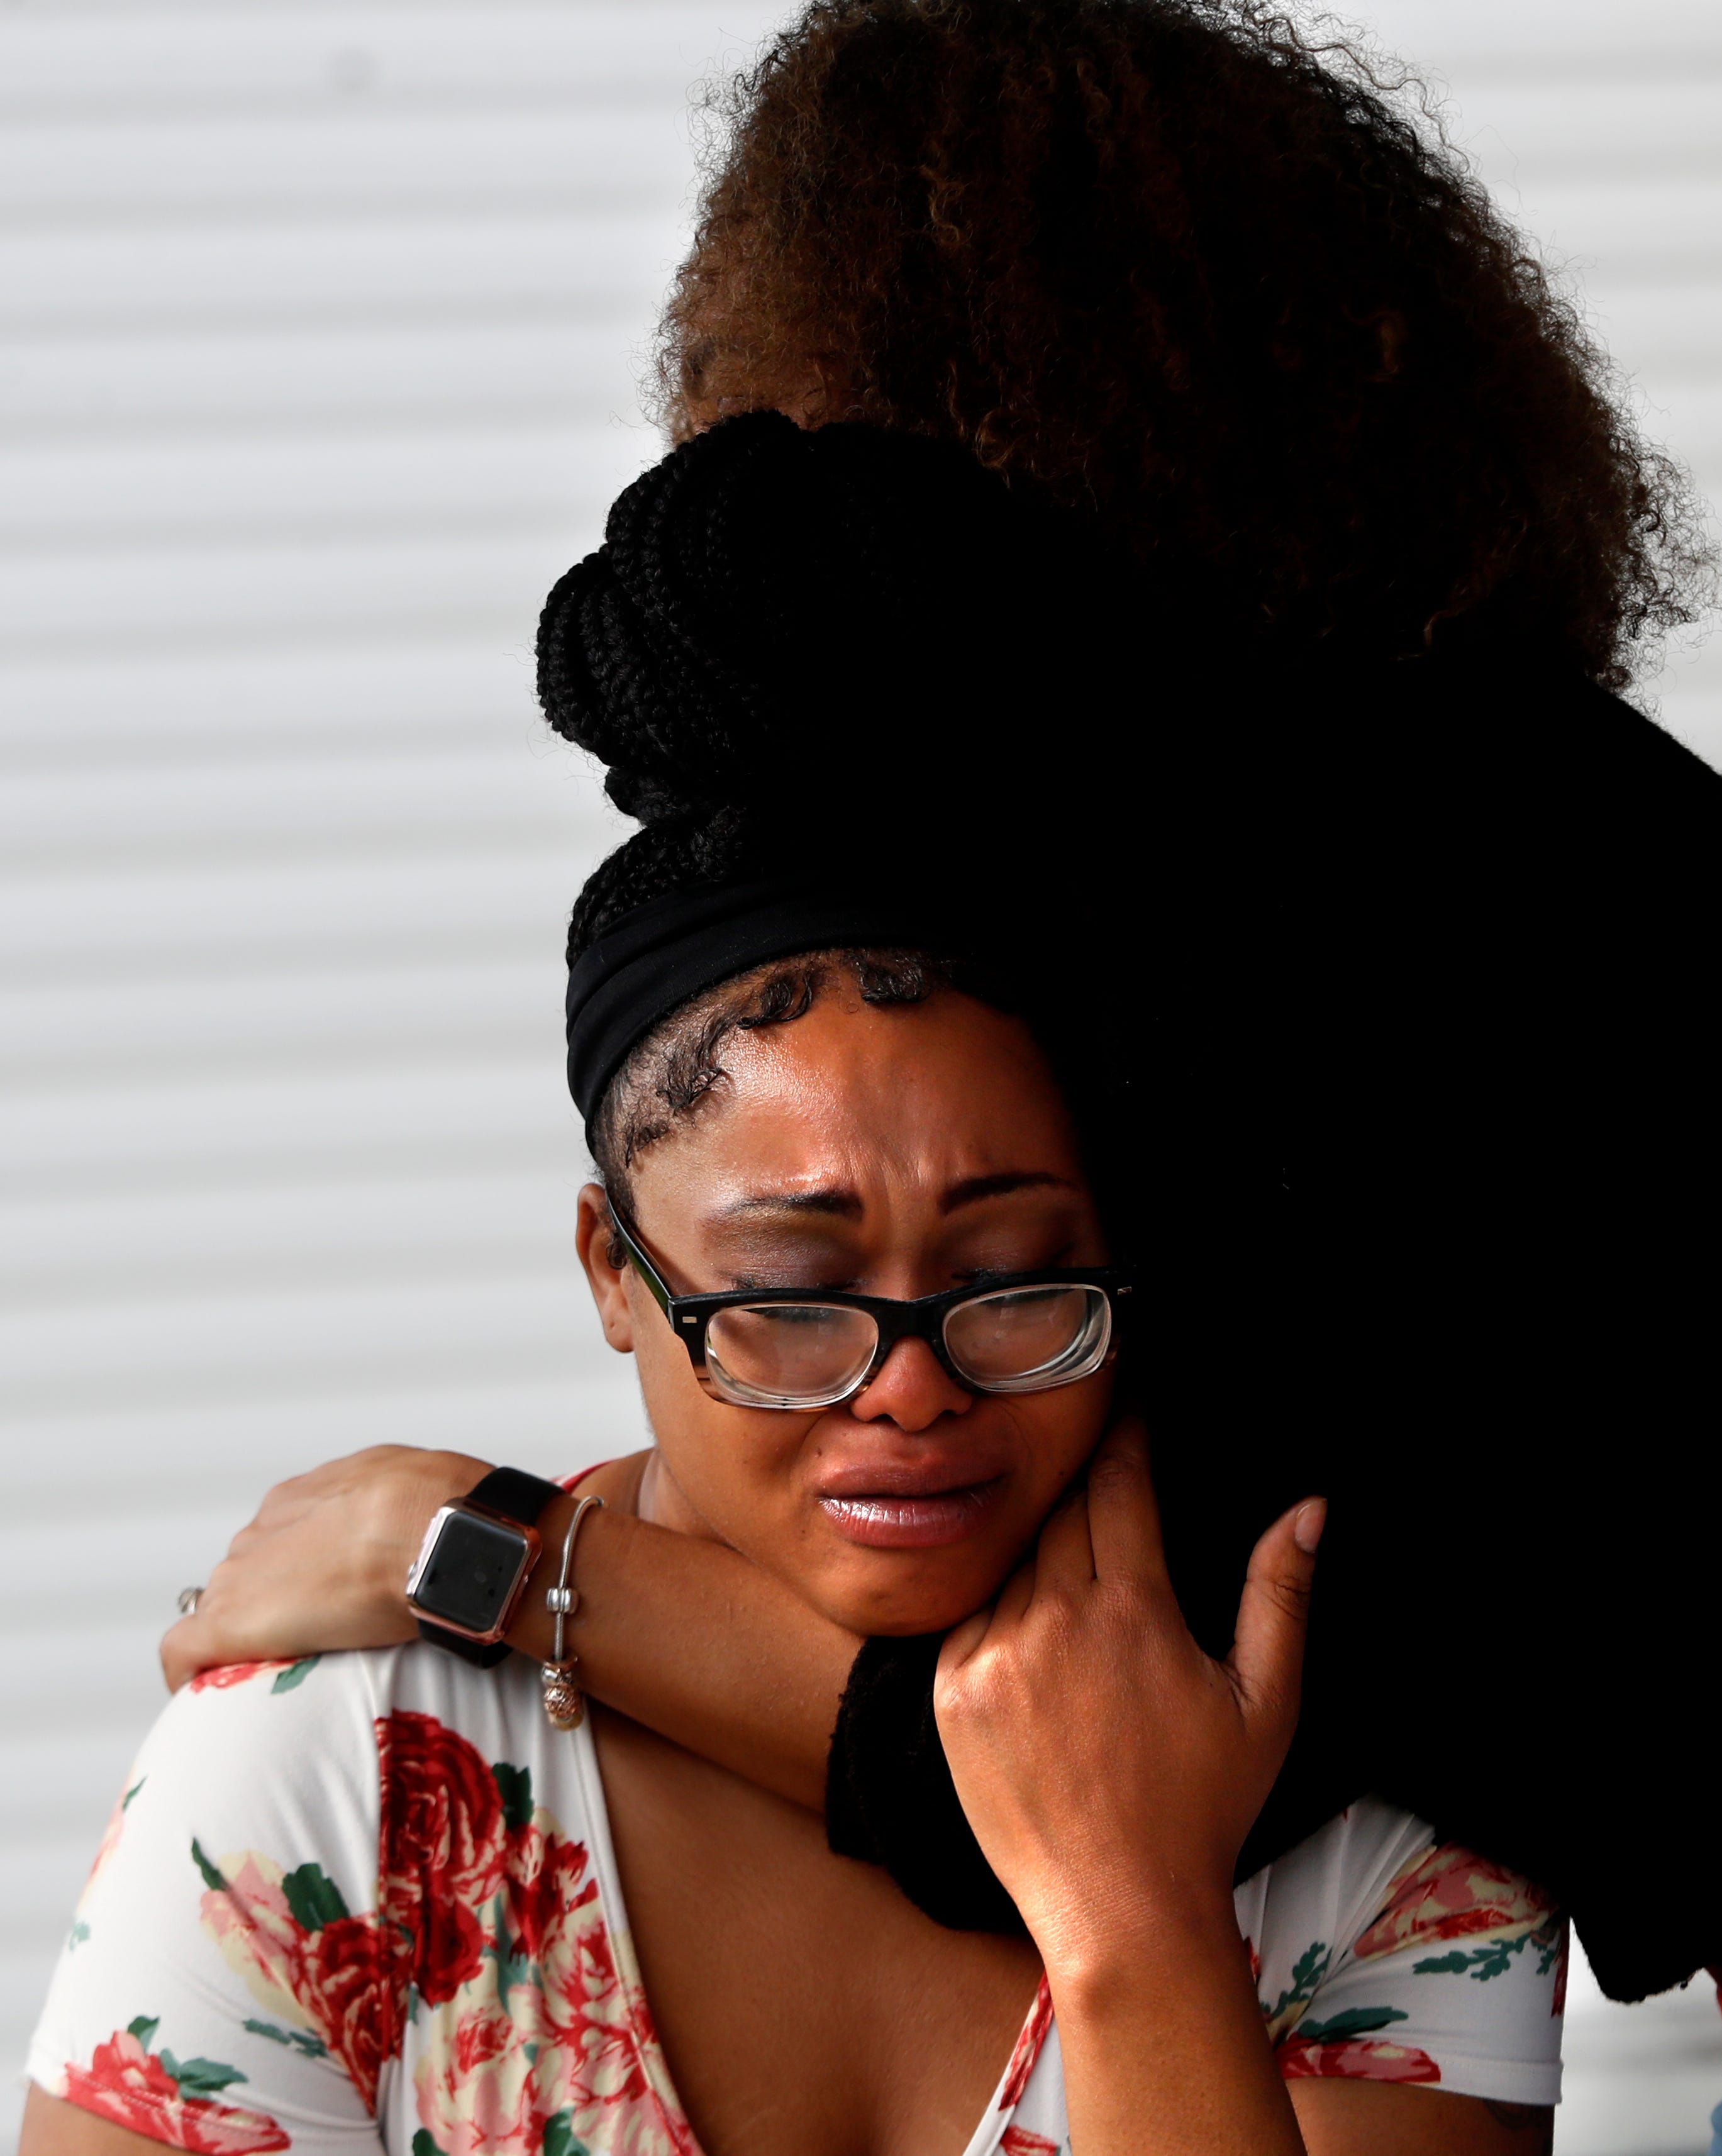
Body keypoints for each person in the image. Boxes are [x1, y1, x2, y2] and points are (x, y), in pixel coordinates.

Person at [25, 0, 1721, 2148]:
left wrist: (489, 1554)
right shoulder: (320, 1775)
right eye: (790, 1277)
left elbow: (1104, 1772)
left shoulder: (1351, 944)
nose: (904, 1369)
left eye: (1010, 1258)